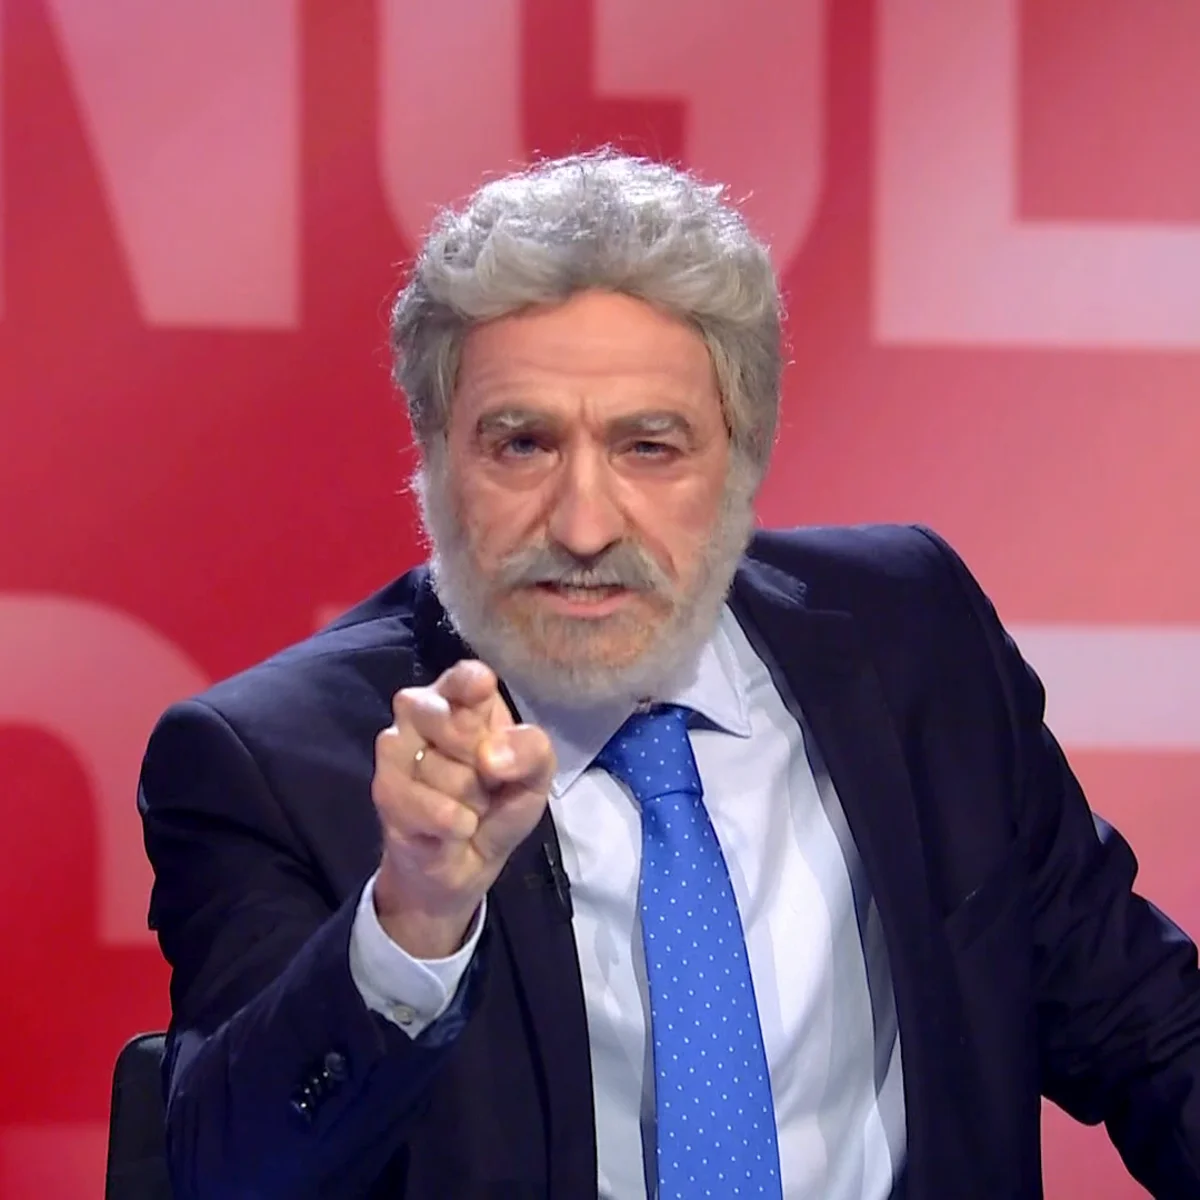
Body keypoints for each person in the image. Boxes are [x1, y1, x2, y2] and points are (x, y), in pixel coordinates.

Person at [139, 150, 1200, 1200]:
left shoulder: (914, 639)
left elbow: (1145, 1027)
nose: (583, 526)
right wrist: (413, 920)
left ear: (742, 458)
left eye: (649, 447)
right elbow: (225, 1177)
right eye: (521, 445)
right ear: (434, 458)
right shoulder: (273, 764)